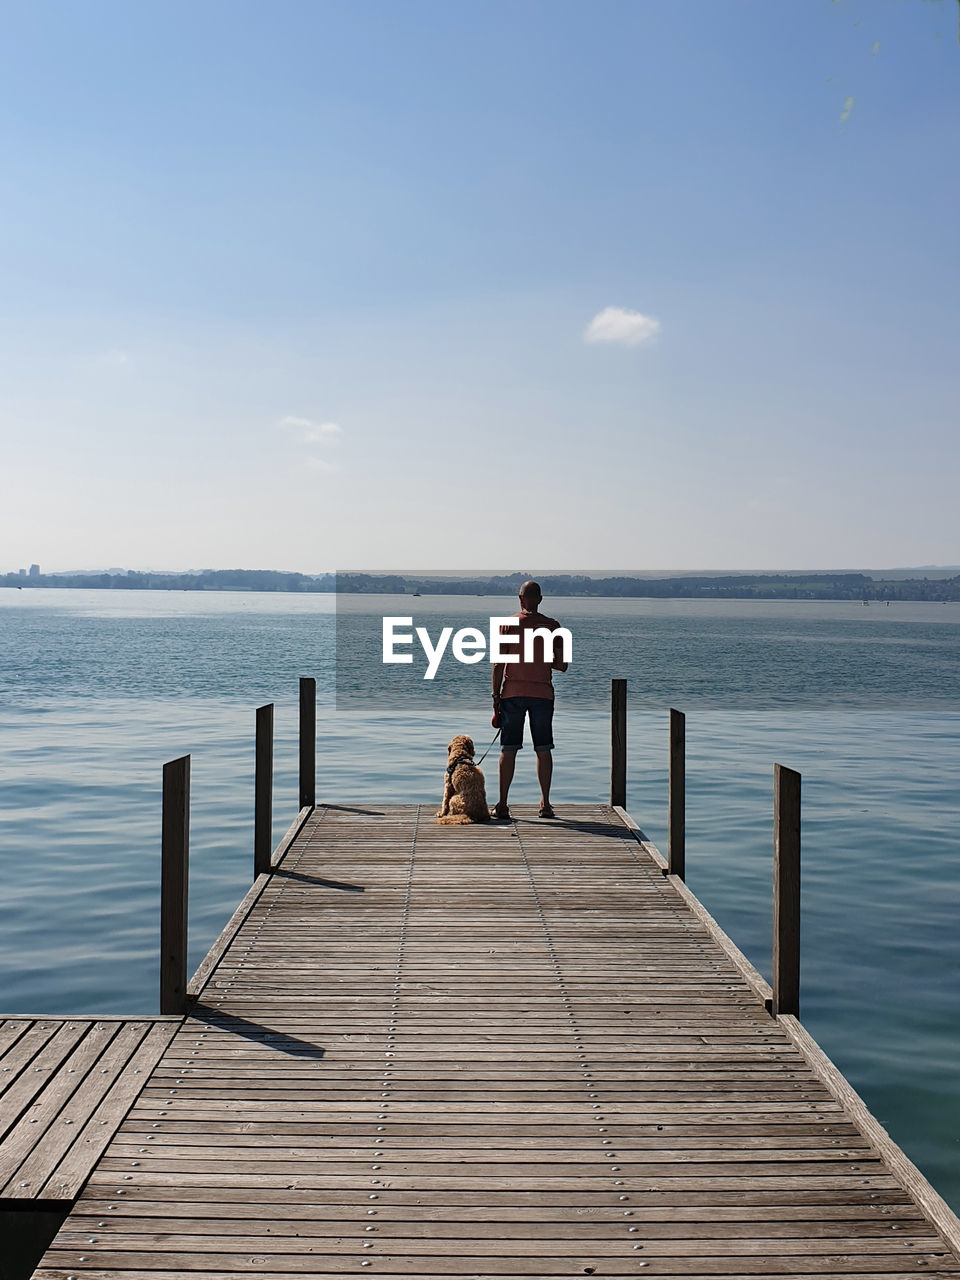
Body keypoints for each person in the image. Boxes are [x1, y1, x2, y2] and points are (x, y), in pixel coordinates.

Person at [491, 581, 568, 820]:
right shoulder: (554, 627)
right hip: (542, 695)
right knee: (543, 749)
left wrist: (496, 697)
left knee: (508, 749)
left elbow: (498, 665)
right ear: (541, 599)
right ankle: (545, 804)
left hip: (512, 694)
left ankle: (503, 805)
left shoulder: (508, 624)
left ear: (520, 599)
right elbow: (562, 665)